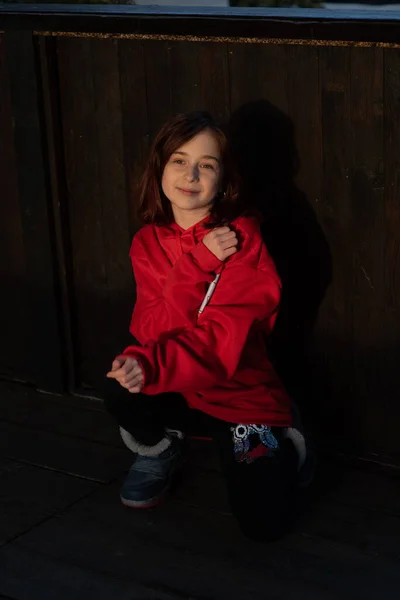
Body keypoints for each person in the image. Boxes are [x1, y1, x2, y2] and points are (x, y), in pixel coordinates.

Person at [103, 110, 307, 541]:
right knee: (122, 384)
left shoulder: (243, 241)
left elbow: (219, 346)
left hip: (237, 395)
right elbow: (150, 327)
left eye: (207, 164)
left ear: (224, 179)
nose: (190, 174)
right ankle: (163, 448)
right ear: (160, 166)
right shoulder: (148, 241)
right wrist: (198, 264)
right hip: (179, 387)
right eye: (179, 159)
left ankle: (284, 440)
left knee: (266, 522)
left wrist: (153, 365)